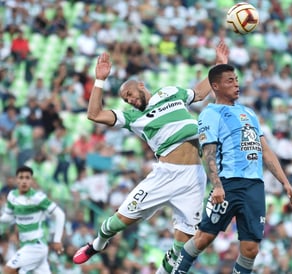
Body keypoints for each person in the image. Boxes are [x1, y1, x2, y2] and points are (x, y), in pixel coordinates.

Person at [72, 41, 229, 274]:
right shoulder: (133, 117)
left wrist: (219, 65)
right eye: (126, 99)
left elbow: (199, 93)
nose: (130, 100)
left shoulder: (170, 92)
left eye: (130, 94)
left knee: (183, 244)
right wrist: (100, 80)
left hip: (194, 177)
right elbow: (94, 114)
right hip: (165, 174)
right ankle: (97, 244)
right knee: (120, 221)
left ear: (141, 86)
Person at [171, 64, 292, 274]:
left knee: (251, 248)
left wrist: (285, 181)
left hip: (254, 186)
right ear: (216, 86)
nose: (236, 84)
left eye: (236, 79)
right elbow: (208, 152)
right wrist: (217, 186)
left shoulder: (249, 113)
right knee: (204, 238)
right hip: (229, 184)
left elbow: (265, 150)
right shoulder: (210, 114)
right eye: (230, 81)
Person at [0, 165, 66, 274]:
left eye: (27, 178)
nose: (24, 181)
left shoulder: (38, 198)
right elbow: (8, 217)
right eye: (21, 177)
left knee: (8, 270)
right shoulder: (12, 196)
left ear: (31, 180)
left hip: (36, 245)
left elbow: (60, 214)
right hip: (25, 245)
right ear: (17, 180)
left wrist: (57, 240)